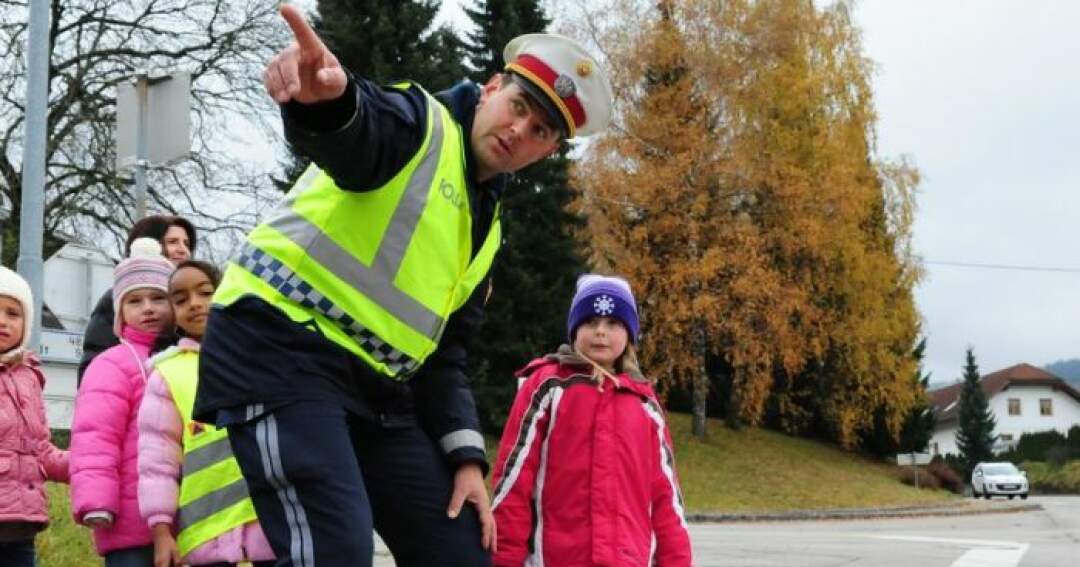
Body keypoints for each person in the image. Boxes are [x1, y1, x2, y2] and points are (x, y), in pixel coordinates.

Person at [192, 4, 613, 566]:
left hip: (376, 393)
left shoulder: (484, 231)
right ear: (490, 89)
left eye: (540, 131)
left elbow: (445, 358)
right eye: (518, 107)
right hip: (281, 348)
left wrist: (465, 458)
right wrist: (329, 102)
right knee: (334, 551)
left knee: (460, 552)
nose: (519, 131)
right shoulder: (419, 124)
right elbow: (357, 130)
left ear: (548, 151)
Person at [491, 274, 692, 566]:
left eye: (613, 323)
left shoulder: (644, 403)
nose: (601, 332)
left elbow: (667, 497)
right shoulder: (548, 386)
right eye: (590, 322)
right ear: (574, 330)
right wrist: (504, 559)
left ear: (630, 334)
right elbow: (513, 480)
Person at [137, 260, 275, 567]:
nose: (195, 304)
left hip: (271, 526)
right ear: (173, 314)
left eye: (205, 292)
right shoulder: (166, 375)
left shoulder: (260, 357)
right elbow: (156, 462)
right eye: (181, 299)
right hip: (206, 538)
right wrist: (161, 532)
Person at [70, 238, 176, 566]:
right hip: (128, 524)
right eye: (135, 301)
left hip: (186, 519)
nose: (148, 308)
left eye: (158, 297)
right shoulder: (111, 364)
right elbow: (95, 438)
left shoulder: (188, 358)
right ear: (120, 313)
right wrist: (96, 502)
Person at [0, 267, 69, 567]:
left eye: (13, 313)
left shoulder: (29, 377)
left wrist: (87, 464)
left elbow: (40, 449)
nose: (3, 321)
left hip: (19, 525)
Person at [78, 214, 197, 384]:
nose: (183, 250)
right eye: (172, 242)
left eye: (187, 244)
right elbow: (93, 367)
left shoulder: (196, 301)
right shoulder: (117, 298)